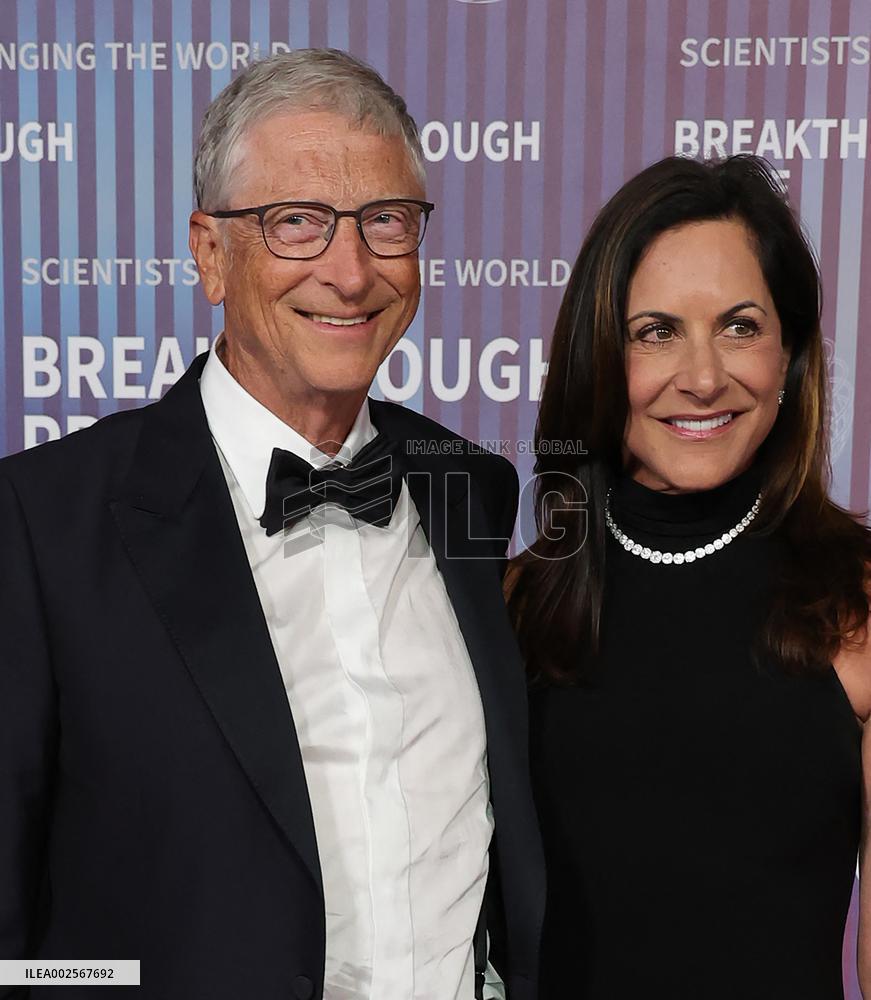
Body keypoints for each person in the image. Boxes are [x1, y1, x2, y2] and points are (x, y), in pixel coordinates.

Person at [0, 50, 544, 1000]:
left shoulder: (471, 489)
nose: (350, 269)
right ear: (210, 253)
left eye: (386, 221)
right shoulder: (40, 524)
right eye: (297, 222)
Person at [507, 154, 871, 999]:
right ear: (599, 356)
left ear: (789, 355)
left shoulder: (856, 601)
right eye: (655, 332)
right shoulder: (515, 606)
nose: (703, 377)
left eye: (740, 326)